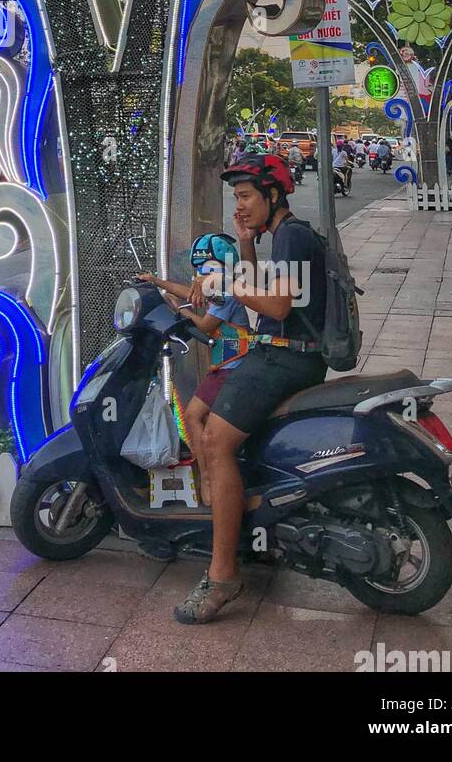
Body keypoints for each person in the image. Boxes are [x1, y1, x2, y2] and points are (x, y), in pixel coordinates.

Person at [162, 153, 328, 625]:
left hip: (286, 356)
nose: (240, 205)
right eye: (237, 197)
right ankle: (247, 526)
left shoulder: (293, 235)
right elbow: (261, 287)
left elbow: (274, 306)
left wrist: (227, 280)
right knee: (219, 429)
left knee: (213, 439)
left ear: (273, 195)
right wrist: (243, 243)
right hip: (278, 350)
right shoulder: (283, 235)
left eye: (246, 197)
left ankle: (222, 573)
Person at [136, 233, 252, 508]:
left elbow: (205, 326)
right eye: (200, 271)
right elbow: (191, 294)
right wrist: (156, 282)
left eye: (207, 270)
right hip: (224, 367)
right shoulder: (221, 286)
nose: (201, 277)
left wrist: (180, 311)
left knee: (192, 416)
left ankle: (209, 478)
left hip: (231, 369)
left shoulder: (228, 291)